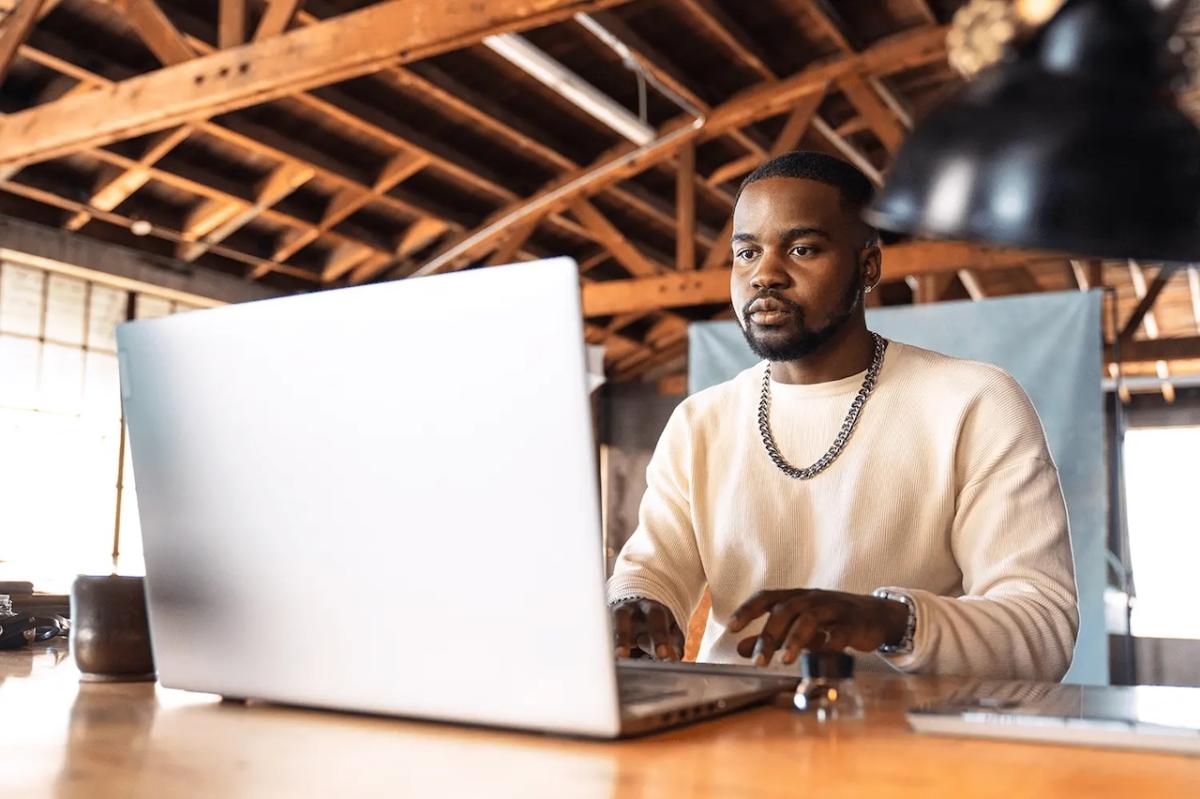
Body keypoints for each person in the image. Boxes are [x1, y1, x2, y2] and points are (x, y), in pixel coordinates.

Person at [607, 151, 1078, 680]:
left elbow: (1043, 629)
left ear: (868, 266)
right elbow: (649, 573)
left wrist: (889, 620)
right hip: (726, 737)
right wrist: (633, 605)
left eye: (802, 248)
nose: (765, 275)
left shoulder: (975, 401)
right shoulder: (700, 421)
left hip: (906, 745)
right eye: (746, 253)